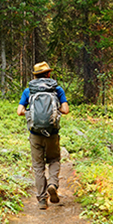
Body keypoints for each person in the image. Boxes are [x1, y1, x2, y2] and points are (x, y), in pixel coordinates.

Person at [17, 62, 70, 210]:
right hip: (52, 133)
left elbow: (19, 111)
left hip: (35, 134)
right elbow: (65, 110)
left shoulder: (29, 91)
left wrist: (31, 112)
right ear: (48, 74)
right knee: (54, 159)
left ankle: (41, 200)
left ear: (35, 76)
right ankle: (52, 184)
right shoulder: (56, 89)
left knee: (38, 167)